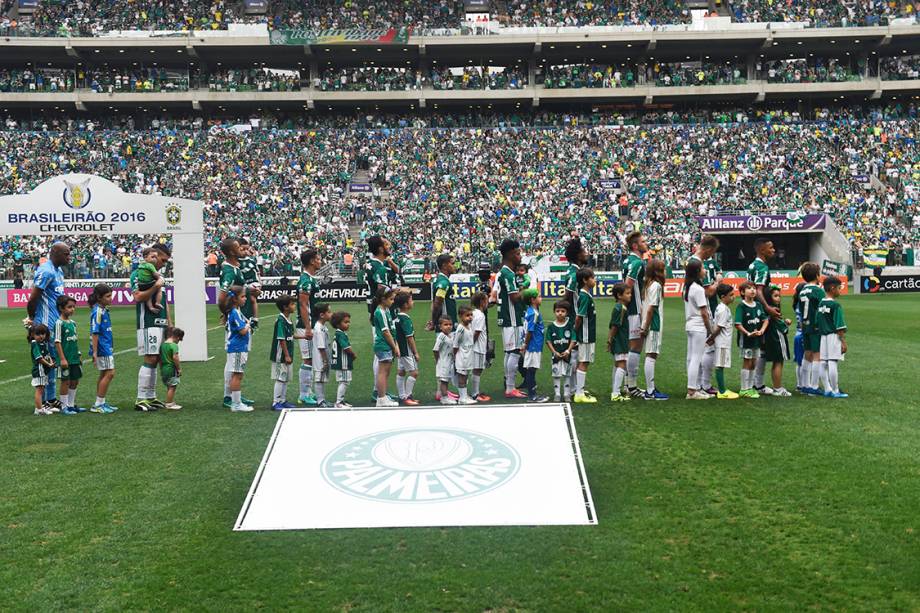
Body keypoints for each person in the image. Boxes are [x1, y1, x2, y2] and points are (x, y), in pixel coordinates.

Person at [25, 241, 71, 411]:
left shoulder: (58, 271)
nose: (69, 257)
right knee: (46, 362)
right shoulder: (46, 271)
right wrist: (32, 319)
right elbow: (33, 298)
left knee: (53, 362)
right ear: (55, 253)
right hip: (45, 325)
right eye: (66, 254)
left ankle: (50, 398)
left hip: (55, 323)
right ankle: (43, 400)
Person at [131, 242, 171, 412]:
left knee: (156, 359)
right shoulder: (138, 274)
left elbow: (165, 301)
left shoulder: (158, 275)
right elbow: (138, 296)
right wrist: (156, 286)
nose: (163, 263)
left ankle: (151, 397)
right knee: (150, 358)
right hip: (147, 321)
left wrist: (170, 322)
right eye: (162, 259)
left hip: (161, 322)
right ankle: (141, 398)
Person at [688, 235, 722, 395]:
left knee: (693, 356)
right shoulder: (697, 264)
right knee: (705, 351)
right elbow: (708, 292)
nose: (711, 256)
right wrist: (718, 282)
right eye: (713, 252)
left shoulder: (691, 262)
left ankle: (695, 386)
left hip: (691, 318)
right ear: (709, 249)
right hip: (699, 319)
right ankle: (700, 386)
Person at [496, 238, 527, 399]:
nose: (520, 256)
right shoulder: (508, 273)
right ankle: (510, 388)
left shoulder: (503, 272)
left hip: (507, 318)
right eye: (517, 253)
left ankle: (510, 386)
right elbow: (514, 298)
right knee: (514, 352)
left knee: (509, 352)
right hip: (513, 319)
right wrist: (527, 292)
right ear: (509, 254)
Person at [747, 237, 778, 396]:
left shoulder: (752, 265)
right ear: (761, 250)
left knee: (756, 348)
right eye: (770, 247)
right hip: (759, 311)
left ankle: (753, 383)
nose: (773, 250)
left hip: (752, 309)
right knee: (761, 348)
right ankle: (757, 384)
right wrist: (768, 308)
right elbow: (758, 290)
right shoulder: (761, 267)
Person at [623, 231, 649, 398]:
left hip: (631, 309)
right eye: (643, 241)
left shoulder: (627, 260)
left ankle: (627, 383)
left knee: (632, 347)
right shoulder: (638, 263)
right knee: (636, 347)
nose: (645, 243)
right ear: (635, 246)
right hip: (636, 310)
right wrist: (636, 308)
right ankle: (631, 385)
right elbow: (628, 285)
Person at [295, 249, 323, 406]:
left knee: (311, 359)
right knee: (308, 359)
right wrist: (307, 327)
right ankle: (304, 394)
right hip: (306, 326)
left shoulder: (311, 279)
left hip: (313, 325)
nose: (320, 261)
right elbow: (303, 305)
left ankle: (308, 392)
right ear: (312, 261)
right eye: (318, 259)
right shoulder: (305, 280)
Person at [684, 259, 713, 400]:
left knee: (691, 358)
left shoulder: (689, 287)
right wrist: (709, 329)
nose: (705, 270)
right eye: (703, 268)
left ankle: (692, 387)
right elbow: (704, 312)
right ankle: (692, 390)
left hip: (690, 325)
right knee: (696, 358)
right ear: (697, 271)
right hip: (698, 326)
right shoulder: (698, 289)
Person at [734, 281, 769, 398]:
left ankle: (751, 387)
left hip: (757, 340)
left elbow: (765, 320)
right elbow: (738, 324)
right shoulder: (741, 306)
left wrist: (762, 330)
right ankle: (744, 388)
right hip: (746, 340)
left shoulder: (758, 305)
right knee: (747, 362)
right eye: (749, 288)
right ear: (743, 292)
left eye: (754, 288)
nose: (753, 290)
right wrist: (748, 333)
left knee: (754, 362)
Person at [640, 259, 669, 401]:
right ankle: (650, 391)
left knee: (650, 355)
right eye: (663, 269)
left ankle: (651, 388)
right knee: (651, 355)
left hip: (649, 324)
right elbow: (651, 309)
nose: (665, 272)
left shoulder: (648, 285)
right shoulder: (656, 286)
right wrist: (646, 326)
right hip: (654, 325)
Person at [796, 262, 826, 396]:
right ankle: (814, 387)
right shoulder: (818, 291)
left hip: (805, 325)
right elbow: (823, 308)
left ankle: (804, 385)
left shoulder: (802, 290)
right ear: (816, 275)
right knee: (816, 355)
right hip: (815, 326)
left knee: (806, 354)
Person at [88, 284, 118, 414]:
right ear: (99, 298)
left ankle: (100, 402)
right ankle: (98, 404)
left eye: (111, 295)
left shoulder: (103, 309)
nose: (110, 298)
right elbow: (95, 332)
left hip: (106, 346)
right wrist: (94, 351)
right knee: (110, 373)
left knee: (104, 373)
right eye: (107, 296)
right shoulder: (98, 312)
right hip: (102, 347)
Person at [54, 295, 86, 415]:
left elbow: (74, 340)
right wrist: (62, 358)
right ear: (61, 308)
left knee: (75, 381)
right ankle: (64, 406)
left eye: (73, 307)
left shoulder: (73, 323)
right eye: (69, 307)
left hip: (74, 358)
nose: (72, 309)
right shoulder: (59, 323)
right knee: (65, 381)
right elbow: (57, 341)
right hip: (65, 359)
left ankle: (71, 405)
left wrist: (78, 355)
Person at [817, 277, 848, 398]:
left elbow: (817, 321)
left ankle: (827, 389)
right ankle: (835, 390)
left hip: (823, 336)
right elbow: (839, 326)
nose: (841, 290)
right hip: (833, 336)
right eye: (839, 288)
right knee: (833, 362)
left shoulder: (821, 303)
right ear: (832, 288)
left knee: (823, 363)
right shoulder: (835, 305)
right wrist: (843, 342)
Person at [223, 285, 252, 412]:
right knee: (237, 375)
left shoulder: (235, 311)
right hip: (237, 347)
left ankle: (236, 401)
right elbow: (242, 331)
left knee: (237, 374)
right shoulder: (235, 312)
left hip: (238, 347)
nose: (245, 299)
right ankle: (236, 403)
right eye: (243, 296)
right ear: (235, 299)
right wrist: (249, 325)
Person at [707, 284, 739, 399]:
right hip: (722, 342)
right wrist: (711, 339)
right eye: (731, 295)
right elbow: (719, 327)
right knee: (720, 365)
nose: (733, 297)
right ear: (722, 297)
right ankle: (721, 391)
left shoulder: (723, 308)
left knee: (721, 365)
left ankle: (722, 389)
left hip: (724, 341)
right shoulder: (723, 310)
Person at [371, 287, 400, 407]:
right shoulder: (380, 312)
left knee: (386, 372)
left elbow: (391, 330)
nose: (393, 302)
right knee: (382, 372)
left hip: (387, 344)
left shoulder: (386, 310)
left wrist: (395, 344)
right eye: (391, 299)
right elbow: (386, 332)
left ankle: (383, 396)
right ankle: (381, 398)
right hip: (383, 345)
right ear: (383, 299)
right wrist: (394, 347)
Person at [270, 295, 298, 411]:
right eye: (292, 304)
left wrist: (304, 337)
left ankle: (283, 400)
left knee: (285, 378)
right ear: (285, 307)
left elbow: (290, 335)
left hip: (288, 354)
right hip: (280, 355)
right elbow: (281, 339)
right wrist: (286, 355)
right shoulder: (281, 321)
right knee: (280, 378)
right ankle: (275, 402)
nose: (294, 306)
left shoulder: (288, 319)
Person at [574, 267, 598, 404]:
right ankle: (579, 393)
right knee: (584, 362)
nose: (595, 280)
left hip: (587, 334)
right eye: (593, 277)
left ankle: (579, 390)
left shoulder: (585, 295)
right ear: (585, 280)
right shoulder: (584, 296)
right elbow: (579, 317)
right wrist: (575, 332)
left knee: (583, 361)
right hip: (586, 335)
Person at [764, 286, 793, 397]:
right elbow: (778, 324)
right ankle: (777, 388)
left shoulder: (770, 308)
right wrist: (785, 324)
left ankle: (776, 387)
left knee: (777, 361)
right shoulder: (772, 309)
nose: (778, 298)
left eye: (779, 296)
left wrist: (784, 320)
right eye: (775, 296)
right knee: (779, 361)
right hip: (777, 336)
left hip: (772, 336)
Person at [521, 289, 548, 403]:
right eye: (539, 296)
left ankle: (532, 393)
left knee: (531, 369)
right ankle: (532, 396)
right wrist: (526, 344)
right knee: (531, 370)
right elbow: (530, 331)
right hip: (533, 346)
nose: (541, 298)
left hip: (534, 345)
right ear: (533, 300)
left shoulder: (530, 311)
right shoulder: (533, 313)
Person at [394, 292, 420, 406]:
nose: (413, 302)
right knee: (414, 373)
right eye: (411, 300)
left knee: (401, 372)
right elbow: (409, 338)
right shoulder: (406, 319)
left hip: (400, 350)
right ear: (405, 304)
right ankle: (408, 396)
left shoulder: (397, 318)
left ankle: (402, 396)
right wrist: (415, 352)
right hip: (407, 351)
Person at [607, 283, 631, 402]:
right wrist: (610, 340)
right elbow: (615, 326)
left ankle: (615, 389)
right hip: (620, 340)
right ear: (619, 295)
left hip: (620, 339)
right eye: (627, 293)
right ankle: (616, 393)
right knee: (622, 364)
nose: (630, 295)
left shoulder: (619, 307)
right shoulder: (620, 308)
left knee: (617, 364)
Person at [547, 300, 575, 402]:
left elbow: (573, 340)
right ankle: (557, 394)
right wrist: (554, 352)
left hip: (567, 355)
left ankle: (567, 394)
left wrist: (568, 351)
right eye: (558, 311)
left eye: (563, 311)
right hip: (556, 356)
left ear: (566, 313)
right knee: (556, 375)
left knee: (567, 375)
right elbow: (548, 341)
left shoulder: (570, 325)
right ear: (554, 312)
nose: (560, 313)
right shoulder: (551, 326)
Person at [453, 305, 478, 405]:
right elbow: (455, 344)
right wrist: (455, 357)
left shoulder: (470, 326)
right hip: (462, 357)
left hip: (468, 356)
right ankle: (462, 398)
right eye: (467, 315)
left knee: (465, 376)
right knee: (462, 378)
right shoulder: (460, 328)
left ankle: (464, 395)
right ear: (460, 316)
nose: (470, 317)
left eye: (471, 315)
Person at [331, 311, 356, 408]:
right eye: (346, 322)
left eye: (348, 322)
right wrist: (353, 354)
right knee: (344, 381)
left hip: (341, 362)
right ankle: (339, 402)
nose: (348, 324)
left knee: (345, 381)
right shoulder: (340, 334)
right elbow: (346, 347)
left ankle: (341, 401)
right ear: (338, 324)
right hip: (343, 363)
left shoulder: (340, 333)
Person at [29, 324, 55, 416]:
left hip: (44, 370)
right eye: (38, 334)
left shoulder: (43, 343)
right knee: (39, 390)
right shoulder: (34, 344)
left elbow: (47, 355)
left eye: (43, 333)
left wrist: (51, 362)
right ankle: (38, 409)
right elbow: (39, 358)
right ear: (32, 334)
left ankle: (40, 407)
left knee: (41, 389)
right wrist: (49, 364)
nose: (41, 336)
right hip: (39, 370)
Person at [469, 292, 491, 402]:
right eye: (486, 300)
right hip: (478, 347)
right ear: (482, 302)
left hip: (477, 347)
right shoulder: (480, 315)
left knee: (477, 369)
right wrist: (471, 345)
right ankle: (475, 393)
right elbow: (477, 332)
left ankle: (475, 391)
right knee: (477, 370)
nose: (488, 302)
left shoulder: (474, 313)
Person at [310, 303, 333, 407]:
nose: (331, 314)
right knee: (319, 378)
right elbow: (321, 346)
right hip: (320, 358)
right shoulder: (319, 328)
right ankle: (320, 400)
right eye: (329, 312)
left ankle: (322, 399)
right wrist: (324, 360)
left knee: (322, 379)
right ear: (322, 315)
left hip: (324, 356)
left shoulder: (323, 327)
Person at [238, 238, 262, 333]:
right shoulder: (235, 262)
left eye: (247, 249)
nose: (246, 252)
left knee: (252, 298)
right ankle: (248, 320)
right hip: (244, 285)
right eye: (243, 249)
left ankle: (255, 319)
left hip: (253, 282)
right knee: (246, 300)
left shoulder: (252, 260)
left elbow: (258, 272)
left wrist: (259, 284)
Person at [429, 253, 457, 329]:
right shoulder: (444, 282)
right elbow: (437, 303)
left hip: (445, 326)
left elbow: (434, 303)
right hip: (446, 328)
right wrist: (434, 322)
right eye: (452, 263)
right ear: (444, 266)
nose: (455, 266)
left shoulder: (440, 280)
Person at [133, 247, 165, 313]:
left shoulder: (142, 266)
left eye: (156, 257)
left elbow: (165, 301)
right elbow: (138, 297)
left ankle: (151, 307)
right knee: (159, 290)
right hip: (145, 319)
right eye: (153, 257)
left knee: (149, 297)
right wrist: (157, 284)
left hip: (162, 316)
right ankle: (157, 303)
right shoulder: (136, 273)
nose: (155, 259)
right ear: (145, 257)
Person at [160, 327, 184, 410]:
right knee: (173, 387)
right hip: (171, 369)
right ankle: (169, 403)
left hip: (164, 368)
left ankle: (169, 400)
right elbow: (175, 357)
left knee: (169, 385)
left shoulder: (163, 345)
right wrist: (179, 369)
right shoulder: (173, 345)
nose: (179, 342)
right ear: (177, 337)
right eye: (179, 340)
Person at [433, 316, 456, 405]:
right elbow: (435, 349)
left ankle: (445, 395)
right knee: (443, 381)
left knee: (446, 380)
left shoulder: (450, 336)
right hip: (443, 362)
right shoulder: (441, 337)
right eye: (445, 324)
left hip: (448, 362)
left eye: (450, 324)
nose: (448, 326)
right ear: (440, 326)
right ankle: (444, 397)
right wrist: (438, 360)